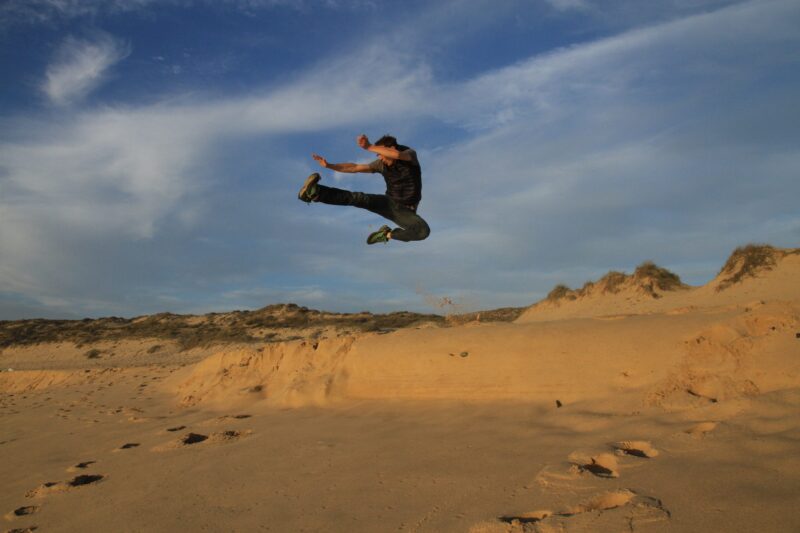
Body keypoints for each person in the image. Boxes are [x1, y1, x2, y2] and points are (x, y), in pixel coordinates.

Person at [297, 134, 430, 245]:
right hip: (388, 203)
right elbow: (355, 168)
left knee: (422, 231)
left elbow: (396, 155)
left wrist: (370, 147)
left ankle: (387, 234)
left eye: (381, 154)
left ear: (390, 148)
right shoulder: (381, 164)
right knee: (358, 198)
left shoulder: (409, 155)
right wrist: (329, 165)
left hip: (405, 211)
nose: (381, 159)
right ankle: (315, 193)